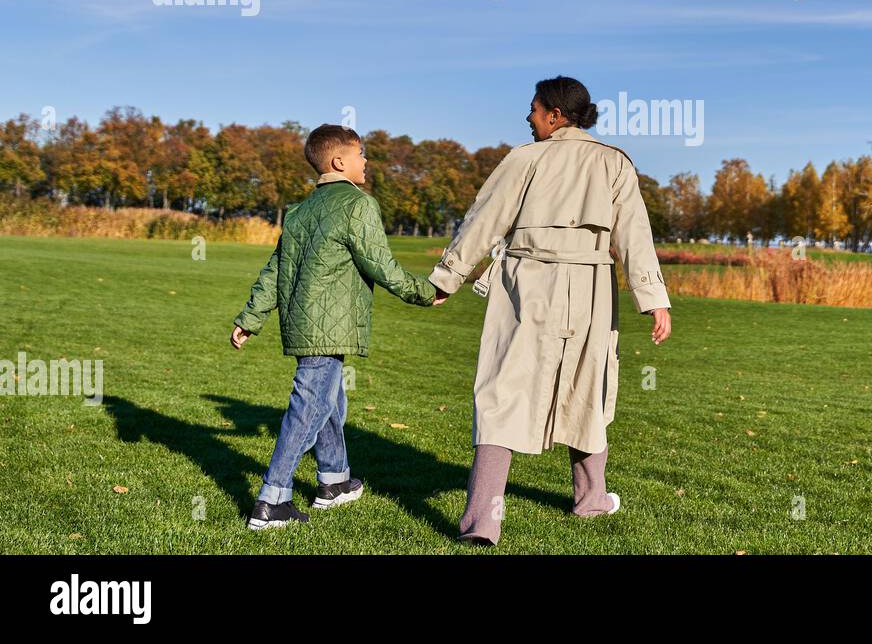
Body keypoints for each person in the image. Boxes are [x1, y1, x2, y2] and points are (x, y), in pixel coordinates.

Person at [429, 76, 672, 545]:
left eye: (535, 110)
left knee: (502, 390)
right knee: (589, 385)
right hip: (590, 289)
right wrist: (654, 300)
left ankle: (484, 524)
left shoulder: (524, 159)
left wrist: (448, 277)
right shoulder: (614, 163)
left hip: (527, 285)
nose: (529, 118)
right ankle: (590, 500)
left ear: (556, 115)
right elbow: (635, 238)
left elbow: (484, 220)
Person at [231, 124, 438, 530]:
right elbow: (382, 267)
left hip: (304, 322)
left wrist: (249, 319)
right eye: (361, 153)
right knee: (309, 405)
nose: (366, 161)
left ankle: (334, 481)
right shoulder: (358, 205)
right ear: (339, 161)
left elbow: (274, 272)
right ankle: (273, 499)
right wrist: (426, 292)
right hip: (329, 326)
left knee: (329, 400)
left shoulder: (300, 211)